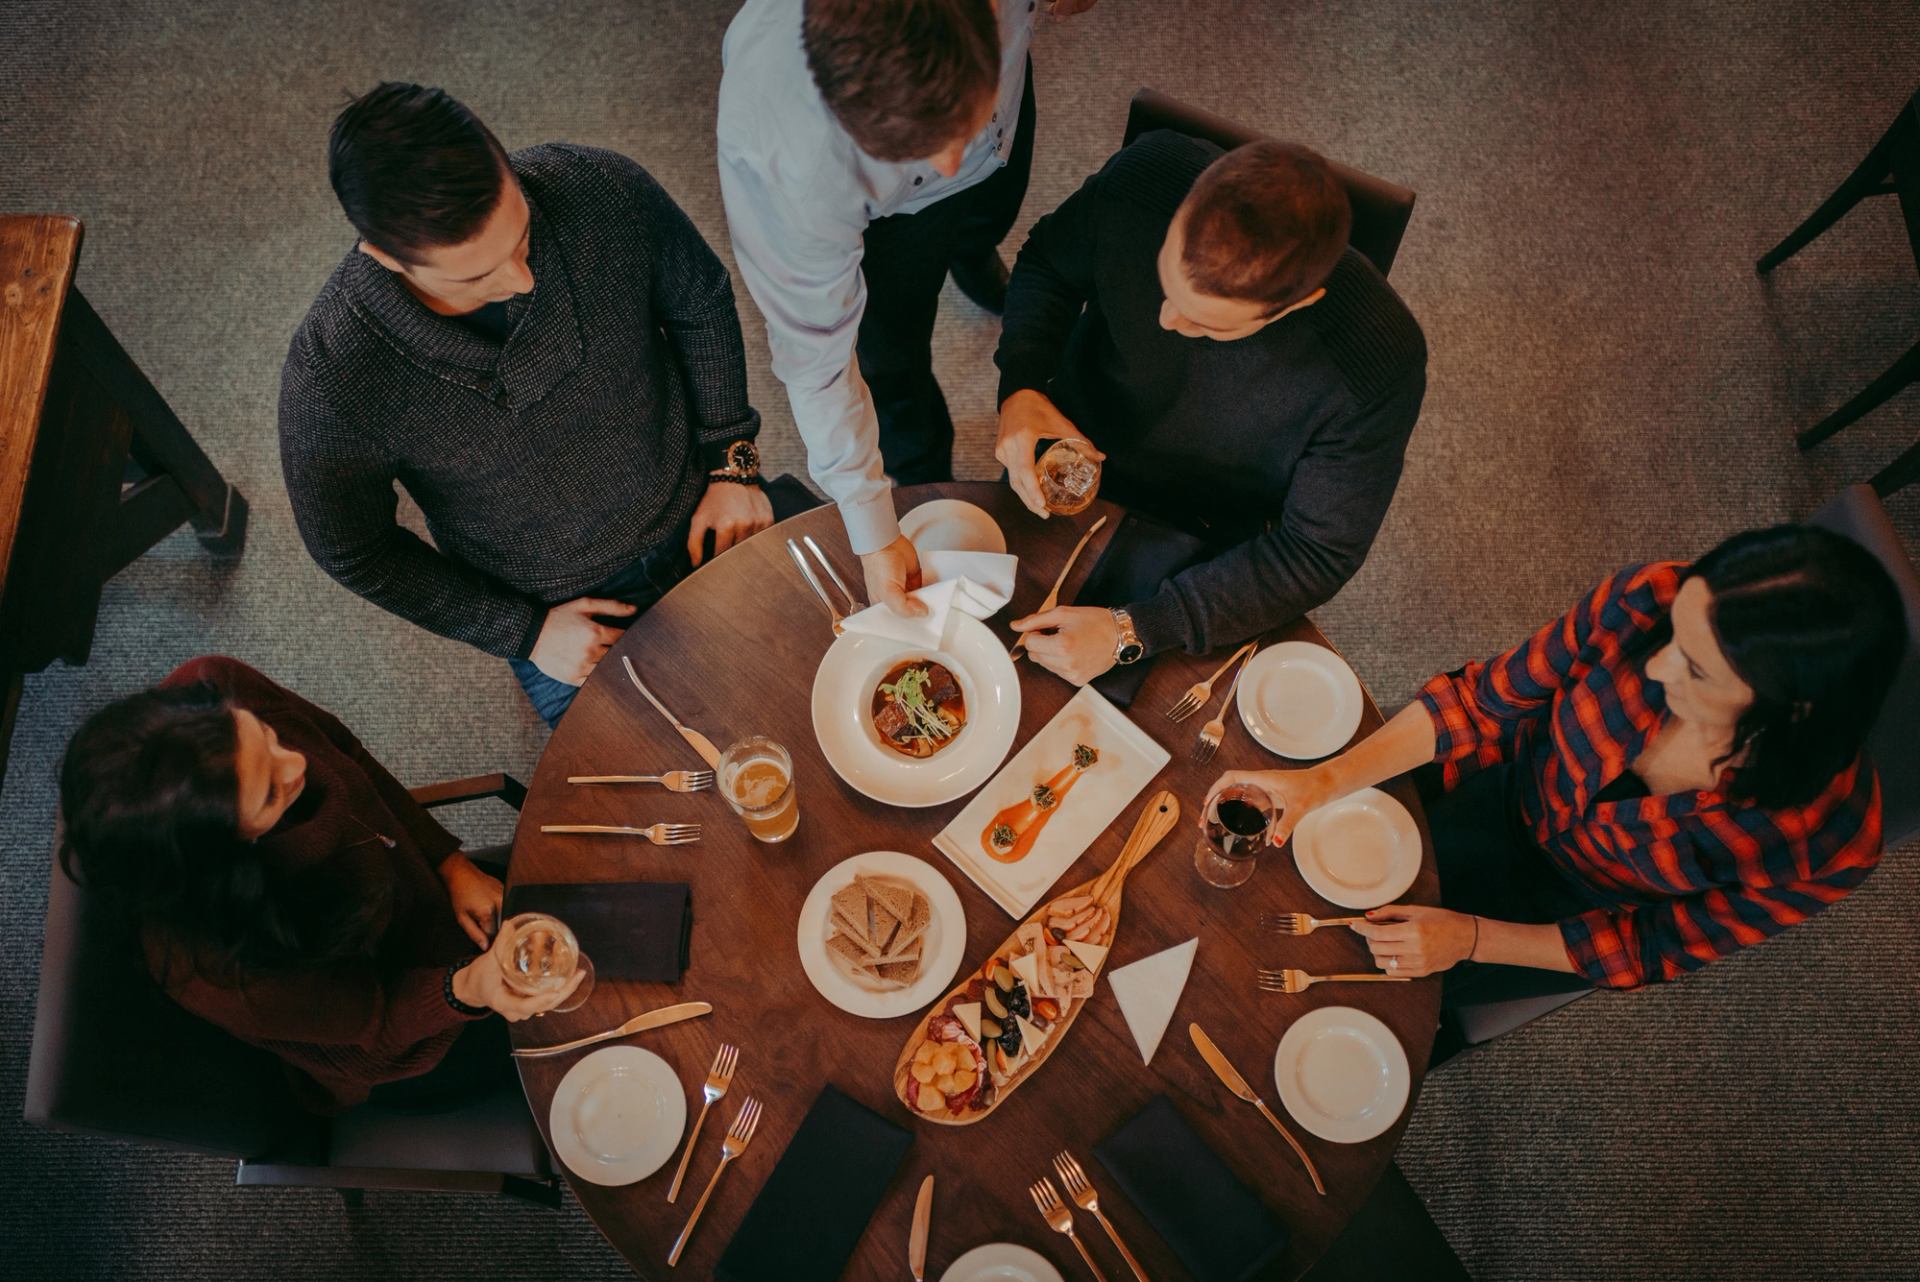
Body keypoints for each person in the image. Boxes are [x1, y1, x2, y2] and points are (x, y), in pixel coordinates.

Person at [1204, 526, 1907, 1013]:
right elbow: (1480, 704)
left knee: (1350, 998)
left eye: (1695, 669)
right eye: (1676, 636)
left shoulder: (1826, 842)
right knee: (1286, 882)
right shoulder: (1648, 601)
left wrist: (1469, 939)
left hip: (1563, 912)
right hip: (1497, 782)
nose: (1657, 667)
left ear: (1790, 712)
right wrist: (1319, 783)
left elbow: (1655, 946)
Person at [281, 83, 805, 728]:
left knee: (877, 654)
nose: (522, 279)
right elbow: (354, 550)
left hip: (707, 501)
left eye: (522, 235)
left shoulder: (597, 186)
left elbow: (698, 298)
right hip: (564, 608)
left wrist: (733, 460)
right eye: (478, 276)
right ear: (385, 256)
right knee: (681, 779)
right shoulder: (334, 376)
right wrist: (524, 633)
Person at [993, 131, 1427, 684]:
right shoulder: (1144, 180)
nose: (1166, 321)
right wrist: (1023, 385)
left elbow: (1315, 552)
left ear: (1293, 305)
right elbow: (1048, 265)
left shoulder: (1376, 364)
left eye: (1205, 324)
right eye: (1165, 280)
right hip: (1070, 444)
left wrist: (1135, 629)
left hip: (1211, 535)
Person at [57, 657, 580, 1113]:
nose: (298, 763)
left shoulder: (217, 683)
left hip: (430, 903)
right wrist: (468, 988)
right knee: (588, 1050)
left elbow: (347, 754)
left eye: (267, 736)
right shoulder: (223, 970)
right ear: (226, 859)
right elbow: (377, 1022)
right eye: (269, 792)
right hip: (416, 1037)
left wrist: (449, 863)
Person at [717, 0, 1099, 616]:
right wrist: (873, 531)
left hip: (1002, 104)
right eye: (912, 151)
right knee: (892, 359)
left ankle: (972, 252)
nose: (950, 163)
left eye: (956, 127)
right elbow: (818, 363)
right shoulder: (785, 163)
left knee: (992, 205)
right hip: (891, 223)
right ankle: (924, 476)